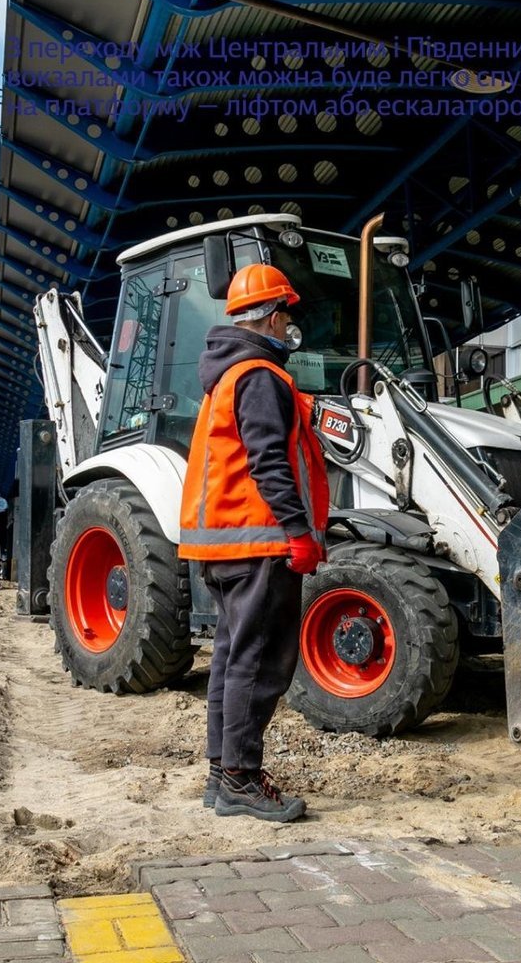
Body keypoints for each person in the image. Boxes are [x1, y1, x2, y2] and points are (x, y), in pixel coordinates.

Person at [179, 263, 329, 823]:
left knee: (230, 659)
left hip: (225, 546)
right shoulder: (259, 375)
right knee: (260, 662)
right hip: (259, 542)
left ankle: (222, 774)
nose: (289, 324)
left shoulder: (225, 377)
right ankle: (241, 780)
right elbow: (269, 462)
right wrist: (298, 531)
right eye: (285, 313)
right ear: (270, 316)